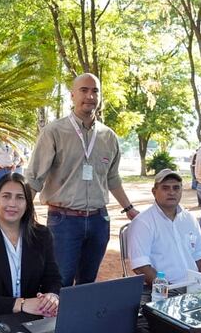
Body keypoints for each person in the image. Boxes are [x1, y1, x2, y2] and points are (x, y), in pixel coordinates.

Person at [26, 73, 138, 287]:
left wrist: (130, 209)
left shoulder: (108, 136)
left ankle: (79, 321)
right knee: (60, 283)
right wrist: (20, 216)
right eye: (84, 90)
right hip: (63, 222)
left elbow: (112, 178)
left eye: (95, 91)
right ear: (72, 95)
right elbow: (34, 178)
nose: (90, 96)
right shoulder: (54, 132)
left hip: (99, 222)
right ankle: (56, 322)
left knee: (87, 283)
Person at [0, 173, 60, 320]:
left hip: (31, 318)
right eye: (6, 196)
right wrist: (21, 304)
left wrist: (52, 296)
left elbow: (53, 278)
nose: (13, 204)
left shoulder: (42, 235)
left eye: (20, 198)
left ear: (27, 204)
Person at [126, 169, 201, 285]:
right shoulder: (142, 223)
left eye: (176, 188)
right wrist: (167, 290)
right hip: (163, 291)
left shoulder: (189, 219)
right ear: (154, 191)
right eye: (165, 188)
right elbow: (141, 267)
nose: (171, 192)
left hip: (194, 287)